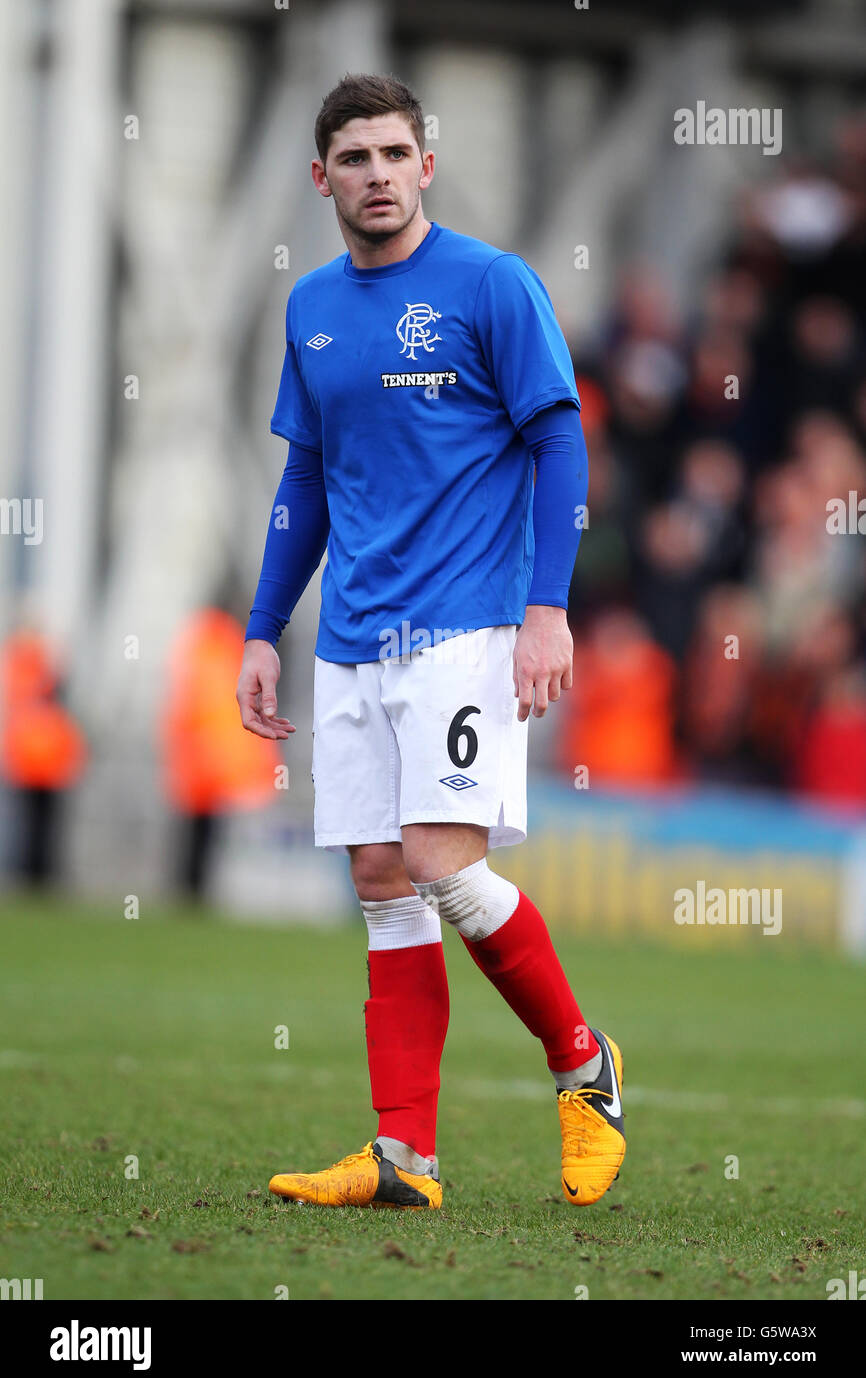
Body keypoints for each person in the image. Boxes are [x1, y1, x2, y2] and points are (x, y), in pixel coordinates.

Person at [236, 72, 624, 1210]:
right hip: (352, 633)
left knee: (439, 861)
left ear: (426, 164)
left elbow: (561, 444)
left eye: (394, 153)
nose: (376, 175)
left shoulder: (490, 285)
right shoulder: (309, 308)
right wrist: (263, 628)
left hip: (466, 621)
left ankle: (581, 1062)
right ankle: (404, 1157)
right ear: (322, 178)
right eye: (353, 158)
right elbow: (303, 479)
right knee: (378, 876)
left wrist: (546, 607)